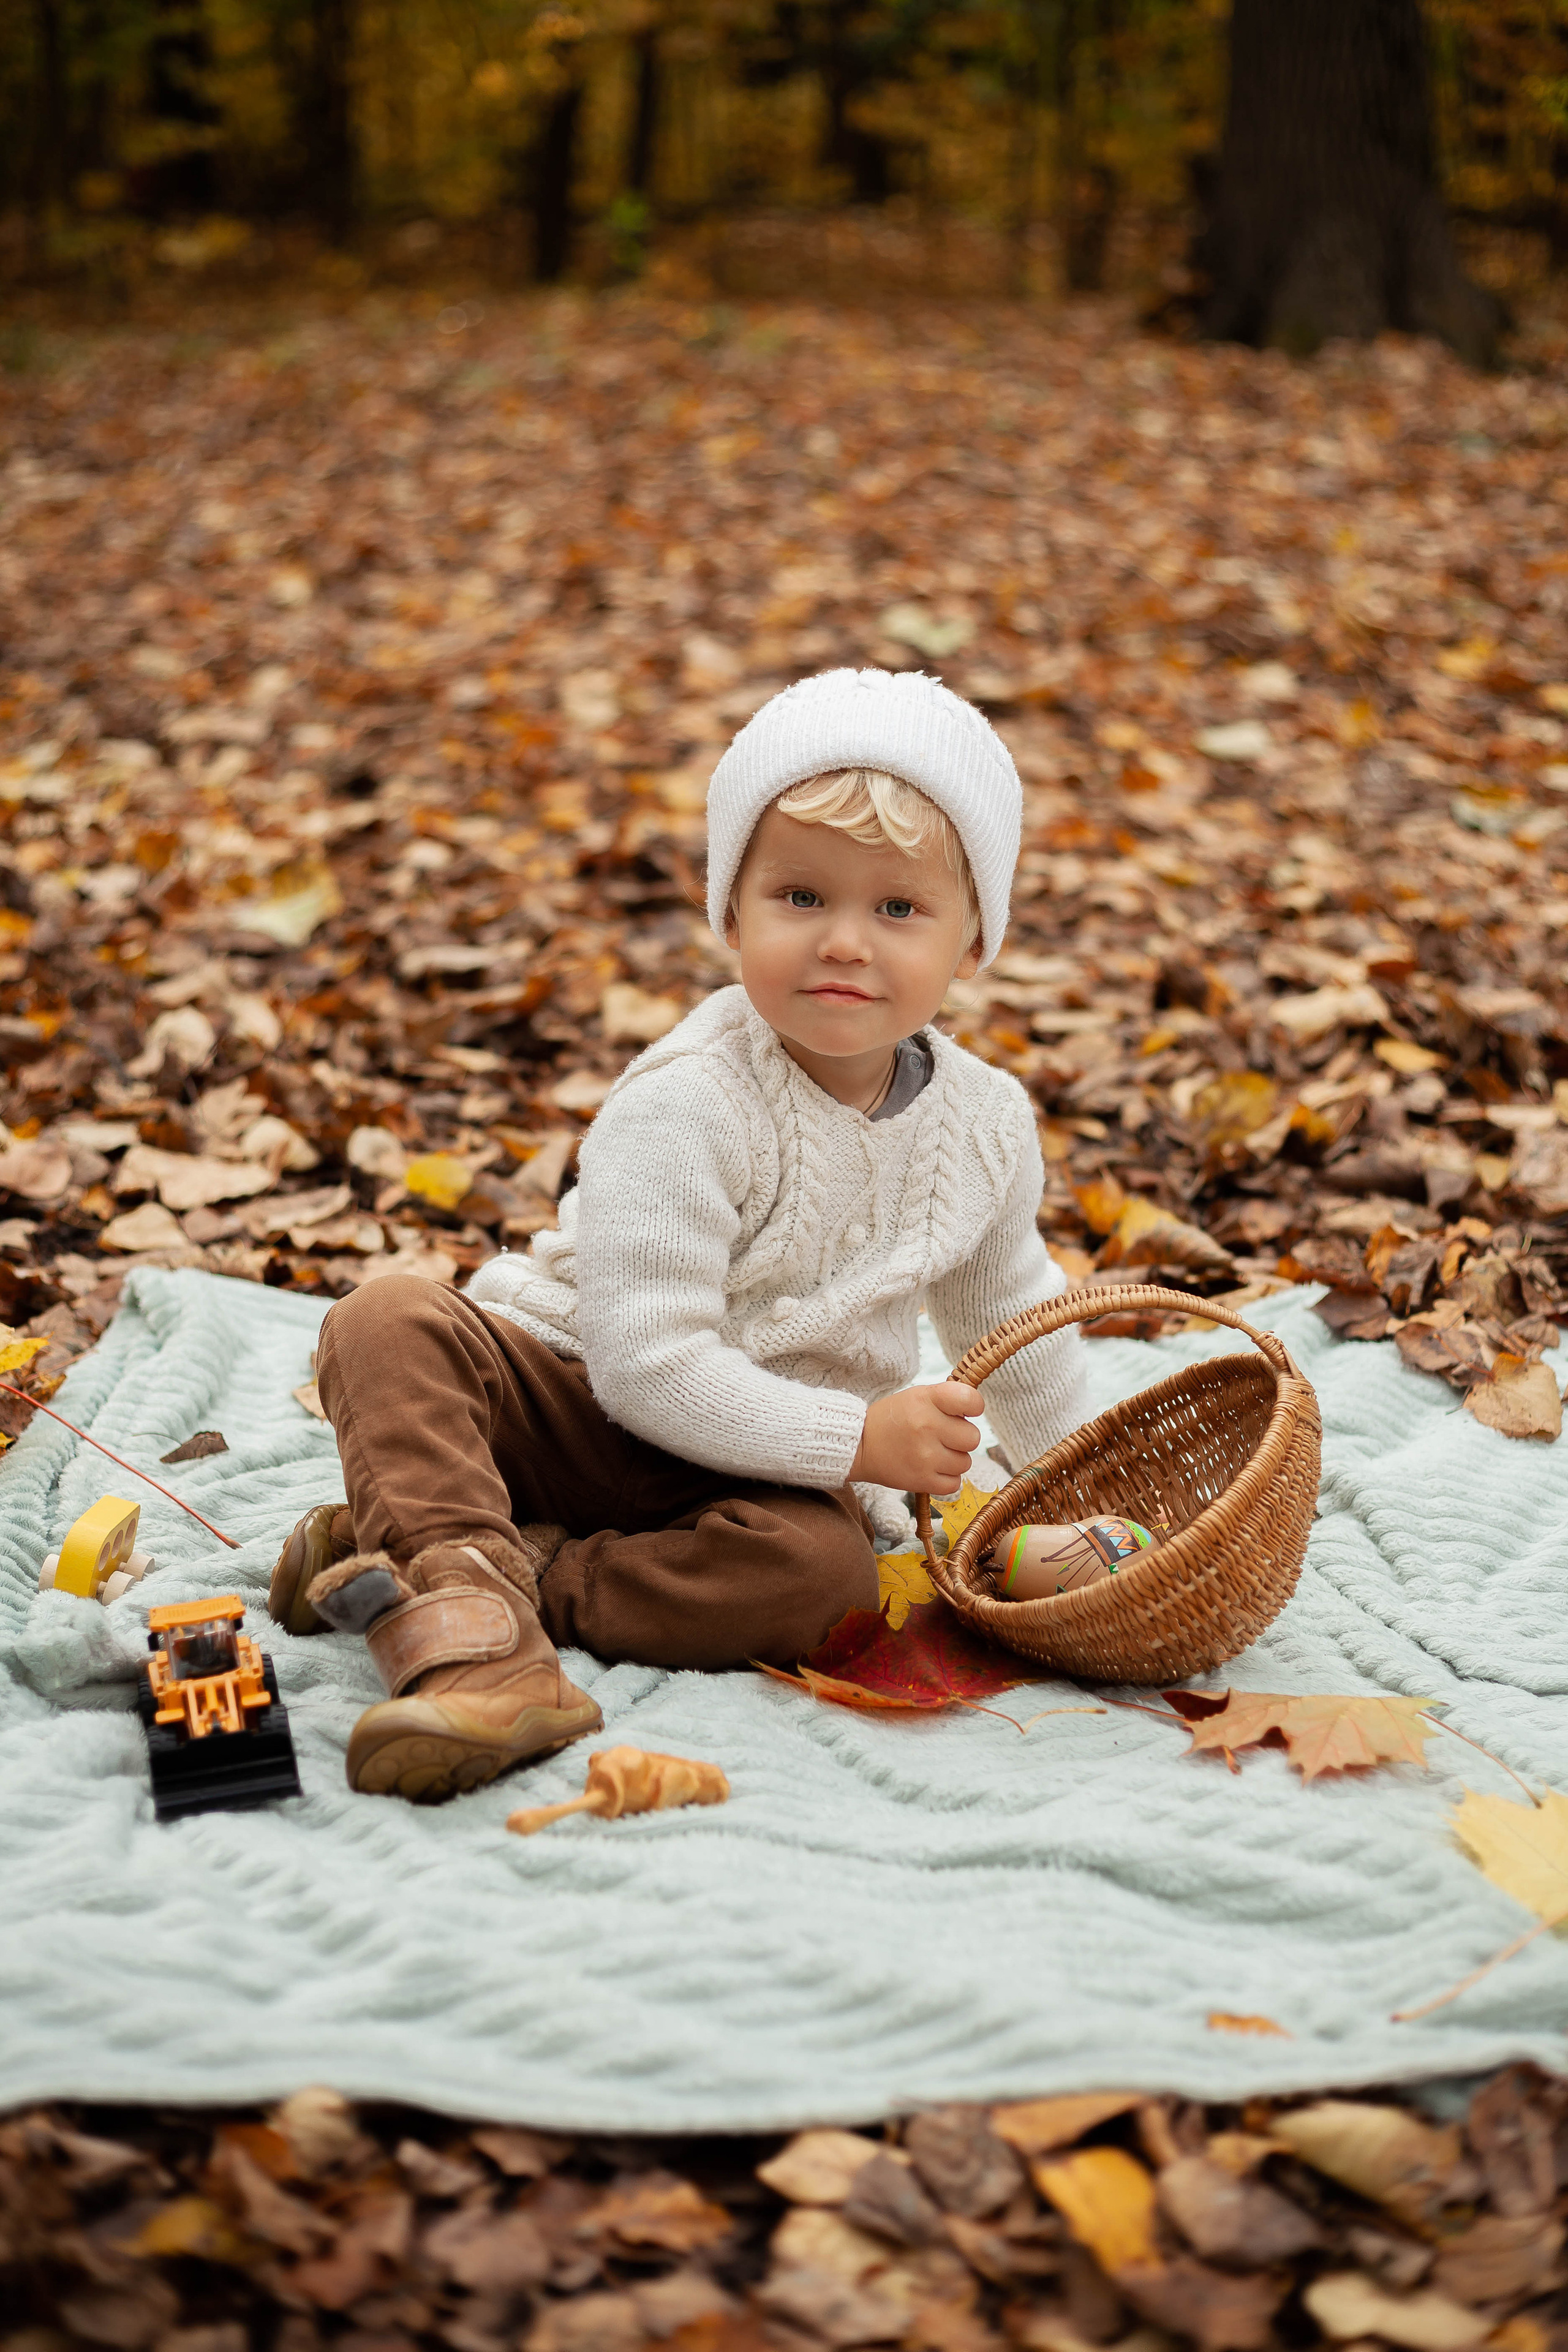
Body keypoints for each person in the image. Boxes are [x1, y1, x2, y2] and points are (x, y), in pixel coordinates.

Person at [269, 668, 1089, 1803]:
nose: (846, 942)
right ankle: (486, 1645)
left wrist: (1082, 1489)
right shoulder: (690, 1098)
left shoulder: (987, 1125)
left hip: (753, 1475)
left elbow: (1019, 1321)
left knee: (826, 1581)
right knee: (388, 1322)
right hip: (577, 1397)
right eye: (801, 898)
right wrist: (860, 1439)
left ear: (973, 941)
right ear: (732, 911)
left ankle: (471, 1555)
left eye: (898, 909)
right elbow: (645, 1366)